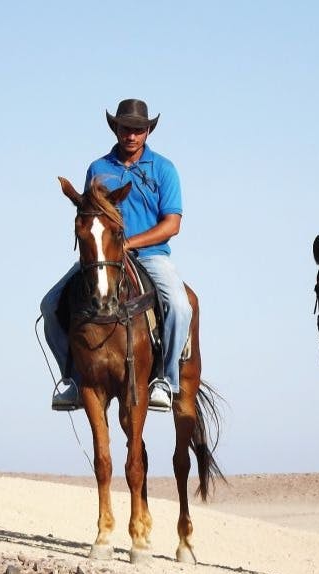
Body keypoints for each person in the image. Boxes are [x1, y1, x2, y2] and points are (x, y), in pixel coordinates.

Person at [42, 98, 190, 413]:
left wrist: (129, 244)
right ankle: (71, 379)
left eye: (139, 129)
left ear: (148, 131)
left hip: (151, 256)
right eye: (126, 128)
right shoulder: (98, 168)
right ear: (116, 129)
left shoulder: (164, 169)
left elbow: (172, 224)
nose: (132, 135)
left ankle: (166, 380)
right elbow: (88, 215)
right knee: (50, 304)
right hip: (100, 257)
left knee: (180, 305)